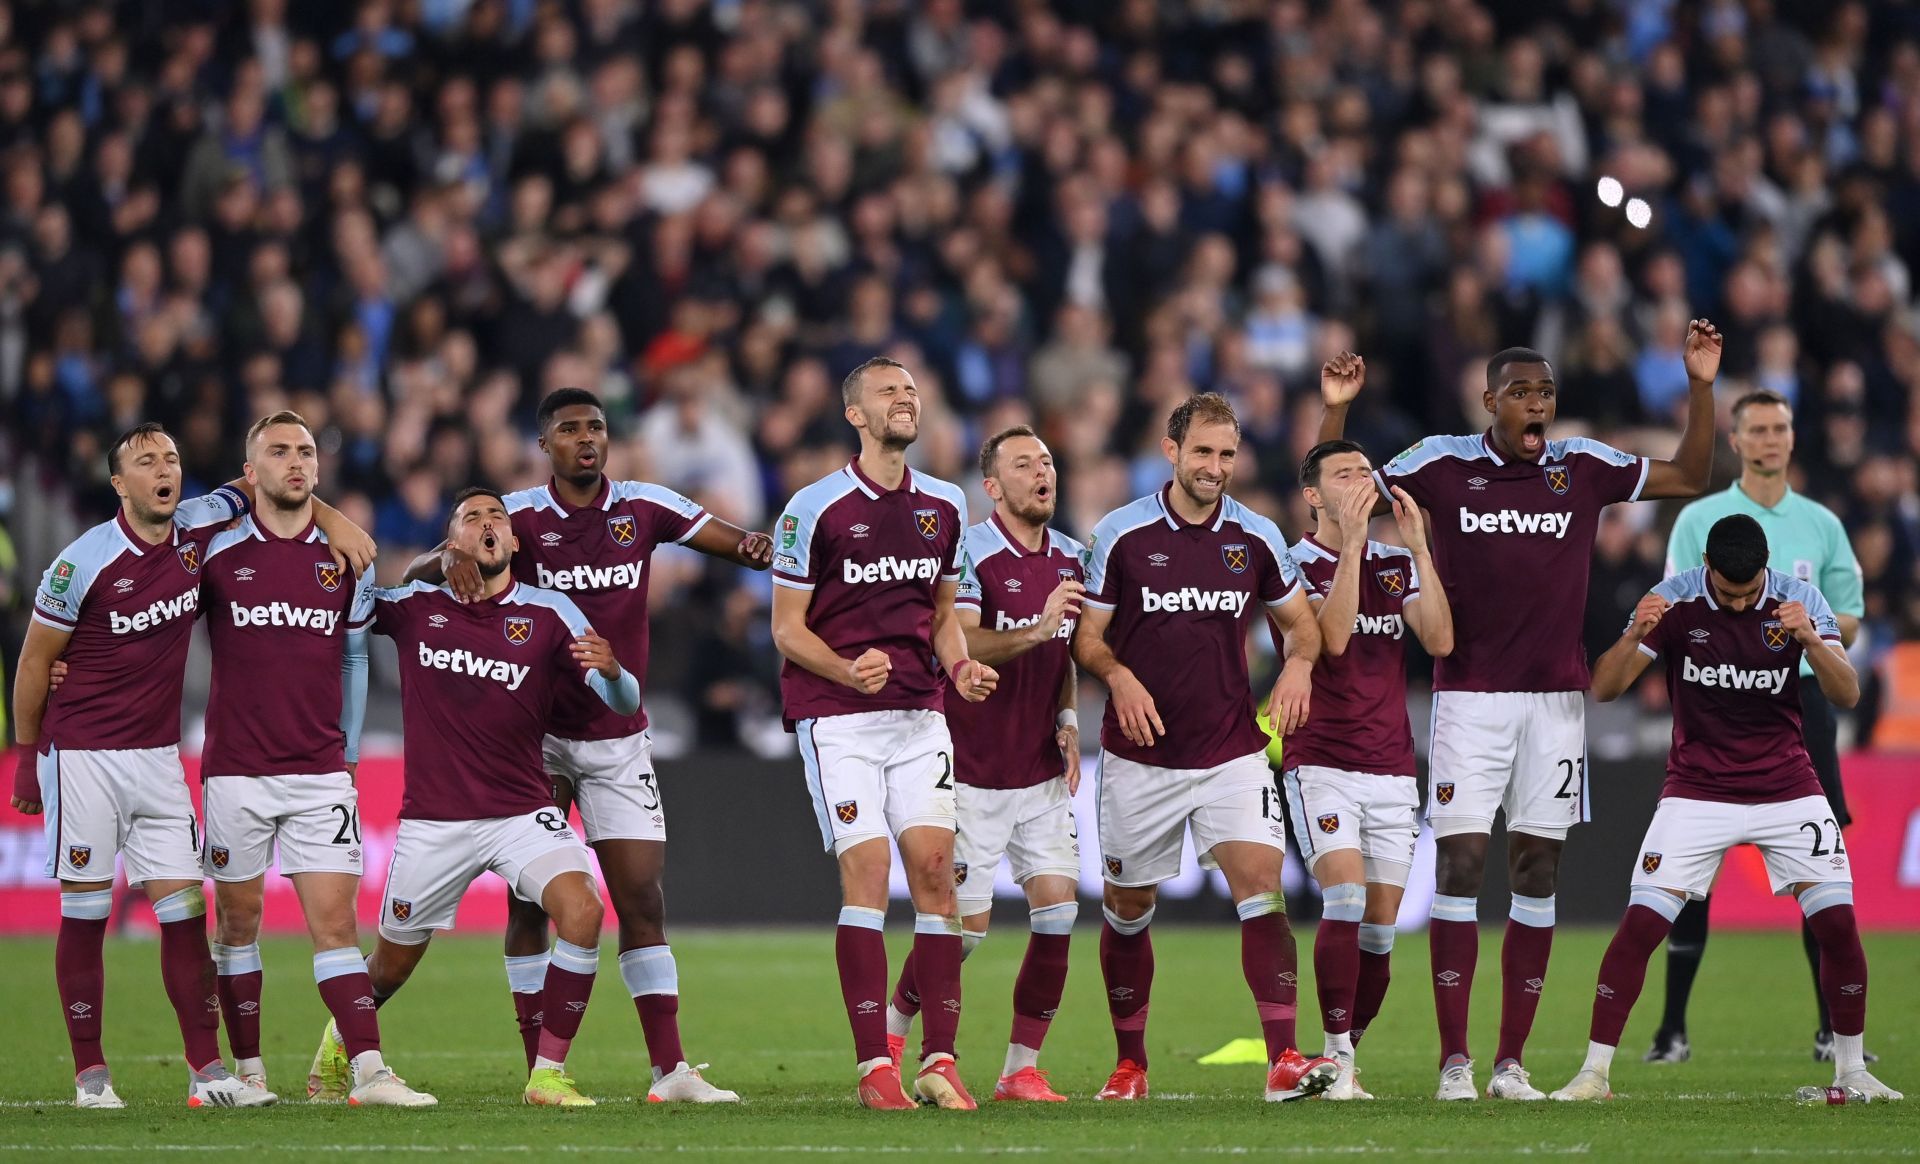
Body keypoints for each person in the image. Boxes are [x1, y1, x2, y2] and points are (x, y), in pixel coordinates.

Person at [1317, 327, 1722, 1101]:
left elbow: (1692, 473)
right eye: (1522, 394)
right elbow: (1338, 488)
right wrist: (1337, 412)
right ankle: (1455, 1064)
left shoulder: (1584, 466)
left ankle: (1510, 1063)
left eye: (1545, 394)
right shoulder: (1440, 462)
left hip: (1555, 703)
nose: (1537, 405)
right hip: (1469, 697)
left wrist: (1700, 387)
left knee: (1538, 869)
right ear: (1490, 402)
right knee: (1462, 865)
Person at [407, 387, 771, 1102]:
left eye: (596, 427)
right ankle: (538, 1067)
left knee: (641, 899)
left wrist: (762, 549)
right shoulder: (518, 516)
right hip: (535, 740)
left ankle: (670, 1072)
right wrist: (439, 561)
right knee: (530, 906)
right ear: (544, 445)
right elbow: (430, 568)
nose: (585, 437)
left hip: (617, 738)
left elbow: (733, 540)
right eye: (569, 428)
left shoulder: (644, 507)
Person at [11, 421, 372, 1110]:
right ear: (120, 483)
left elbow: (272, 482)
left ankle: (208, 1074)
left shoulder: (202, 525)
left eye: (171, 459)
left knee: (183, 915)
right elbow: (34, 661)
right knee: (85, 914)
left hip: (157, 760)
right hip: (83, 756)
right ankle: (91, 1076)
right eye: (145, 462)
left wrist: (334, 518)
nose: (162, 471)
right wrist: (28, 761)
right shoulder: (80, 562)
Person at [1551, 514, 1900, 1103]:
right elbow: (1606, 687)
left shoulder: (1799, 599)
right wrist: (1634, 632)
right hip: (1696, 790)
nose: (1739, 605)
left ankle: (1852, 1072)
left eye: (1750, 592)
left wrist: (1813, 639)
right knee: (1639, 928)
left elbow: (1848, 694)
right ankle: (1593, 1075)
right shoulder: (1674, 600)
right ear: (1706, 568)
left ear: (1766, 569)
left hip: (1788, 786)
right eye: (1728, 593)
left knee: (1839, 925)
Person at [1074, 391, 1335, 1104]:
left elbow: (1302, 626)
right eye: (1203, 453)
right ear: (1171, 450)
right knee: (1127, 909)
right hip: (1141, 756)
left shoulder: (1256, 536)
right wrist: (1117, 674)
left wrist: (1300, 665)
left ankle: (1283, 1058)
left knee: (1263, 892)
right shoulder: (1121, 535)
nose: (1216, 467)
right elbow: (1087, 637)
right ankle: (1130, 1066)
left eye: (1227, 453)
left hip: (1231, 750)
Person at [335, 487, 635, 1107]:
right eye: (471, 518)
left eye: (497, 516)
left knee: (583, 912)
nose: (487, 524)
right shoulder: (418, 605)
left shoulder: (550, 612)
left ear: (515, 541)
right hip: (434, 822)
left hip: (522, 813)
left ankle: (547, 1075)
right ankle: (338, 1048)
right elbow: (351, 610)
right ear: (454, 543)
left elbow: (625, 704)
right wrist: (426, 563)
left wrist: (613, 672)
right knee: (388, 969)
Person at [769, 356, 997, 1111]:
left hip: (920, 714)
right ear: (856, 416)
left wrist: (960, 669)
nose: (906, 399)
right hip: (838, 722)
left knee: (936, 876)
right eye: (887, 392)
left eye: (910, 389)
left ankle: (939, 1058)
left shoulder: (946, 504)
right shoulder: (814, 509)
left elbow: (941, 618)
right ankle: (874, 1067)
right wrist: (843, 669)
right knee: (867, 877)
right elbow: (786, 630)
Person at [198, 412, 433, 1106]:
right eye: (278, 451)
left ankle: (367, 1070)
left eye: (305, 451)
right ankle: (248, 1074)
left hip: (319, 771)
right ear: (250, 472)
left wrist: (351, 751)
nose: (295, 461)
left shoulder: (346, 560)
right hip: (236, 770)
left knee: (335, 927)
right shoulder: (215, 554)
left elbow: (357, 655)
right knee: (237, 924)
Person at [1646, 390, 1868, 1065]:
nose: (1772, 440)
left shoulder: (1823, 524)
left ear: (1793, 439)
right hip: (1714, 701)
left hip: (1800, 701)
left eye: (1781, 428)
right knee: (1691, 870)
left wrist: (1805, 627)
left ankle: (1831, 1028)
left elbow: (1850, 619)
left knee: (1819, 864)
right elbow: (1674, 608)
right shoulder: (1700, 519)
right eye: (1758, 430)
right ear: (1736, 441)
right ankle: (1672, 1029)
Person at [883, 425, 1085, 1103]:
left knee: (1057, 910)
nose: (1041, 474)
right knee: (962, 937)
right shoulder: (969, 551)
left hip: (1039, 775)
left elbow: (1062, 657)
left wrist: (1067, 717)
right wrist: (1035, 626)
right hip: (969, 771)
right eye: (1023, 465)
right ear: (993, 487)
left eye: (1047, 463)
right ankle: (890, 1034)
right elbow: (963, 640)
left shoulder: (1073, 560)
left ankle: (1019, 1068)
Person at [1283, 436, 1454, 1100]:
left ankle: (1345, 1058)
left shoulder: (1395, 563)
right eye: (1344, 474)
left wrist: (1418, 550)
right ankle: (1335, 1060)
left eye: (1365, 472)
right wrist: (1351, 545)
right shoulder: (1289, 563)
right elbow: (1332, 638)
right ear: (1313, 495)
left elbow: (1439, 640)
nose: (1361, 482)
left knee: (1380, 933)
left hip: (1390, 766)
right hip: (1322, 759)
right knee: (1346, 899)